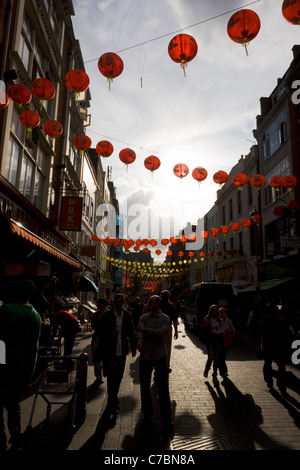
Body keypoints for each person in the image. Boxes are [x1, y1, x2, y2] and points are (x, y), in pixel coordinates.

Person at [0, 280, 41, 450]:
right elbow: (34, 347)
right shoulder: (35, 316)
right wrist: (31, 370)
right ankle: (16, 436)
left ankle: (1, 437)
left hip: (4, 365)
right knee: (14, 404)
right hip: (22, 367)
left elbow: (1, 340)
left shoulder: (6, 311)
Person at [93, 293, 136, 416]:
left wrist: (133, 347)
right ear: (113, 302)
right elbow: (99, 330)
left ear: (123, 302)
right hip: (109, 350)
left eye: (120, 302)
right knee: (111, 377)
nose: (118, 304)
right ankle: (113, 403)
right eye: (116, 302)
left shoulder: (127, 315)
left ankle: (112, 399)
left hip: (122, 351)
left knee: (118, 377)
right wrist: (109, 333)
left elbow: (131, 331)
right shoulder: (106, 315)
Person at [137, 295, 174, 437]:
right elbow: (139, 332)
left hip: (159, 355)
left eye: (151, 302)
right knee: (144, 386)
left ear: (158, 304)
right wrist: (140, 341)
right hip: (145, 355)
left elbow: (161, 333)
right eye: (148, 302)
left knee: (163, 388)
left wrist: (146, 330)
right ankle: (147, 414)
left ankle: (167, 419)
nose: (148, 304)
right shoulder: (143, 317)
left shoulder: (164, 318)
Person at [261, 303, 290, 394]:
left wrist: (263, 346)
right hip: (280, 346)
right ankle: (282, 385)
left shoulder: (265, 320)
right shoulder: (282, 320)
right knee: (281, 366)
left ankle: (269, 381)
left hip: (269, 345)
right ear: (277, 311)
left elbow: (263, 334)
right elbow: (287, 335)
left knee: (268, 364)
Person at [201, 304, 222, 385]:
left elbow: (222, 328)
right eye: (213, 310)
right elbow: (202, 326)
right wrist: (208, 324)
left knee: (216, 358)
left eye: (216, 310)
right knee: (211, 357)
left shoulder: (219, 319)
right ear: (210, 311)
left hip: (218, 338)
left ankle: (215, 375)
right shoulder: (207, 318)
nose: (214, 312)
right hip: (210, 338)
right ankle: (206, 369)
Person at [91, 297, 108, 385]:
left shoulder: (110, 314)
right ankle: (98, 376)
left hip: (106, 338)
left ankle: (105, 371)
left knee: (105, 357)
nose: (97, 305)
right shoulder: (96, 314)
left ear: (102, 304)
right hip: (97, 338)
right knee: (96, 358)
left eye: (98, 304)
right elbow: (93, 326)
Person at [160, 290, 178, 372]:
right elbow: (175, 320)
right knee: (167, 347)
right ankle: (166, 366)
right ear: (168, 297)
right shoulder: (171, 306)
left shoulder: (158, 306)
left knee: (159, 347)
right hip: (167, 328)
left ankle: (158, 366)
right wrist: (176, 331)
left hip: (158, 328)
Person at [219, 307, 235, 378]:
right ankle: (223, 371)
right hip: (219, 340)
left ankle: (223, 371)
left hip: (226, 340)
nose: (222, 314)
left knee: (222, 356)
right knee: (220, 357)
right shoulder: (218, 321)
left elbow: (233, 330)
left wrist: (230, 330)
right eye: (221, 313)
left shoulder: (228, 321)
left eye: (224, 312)